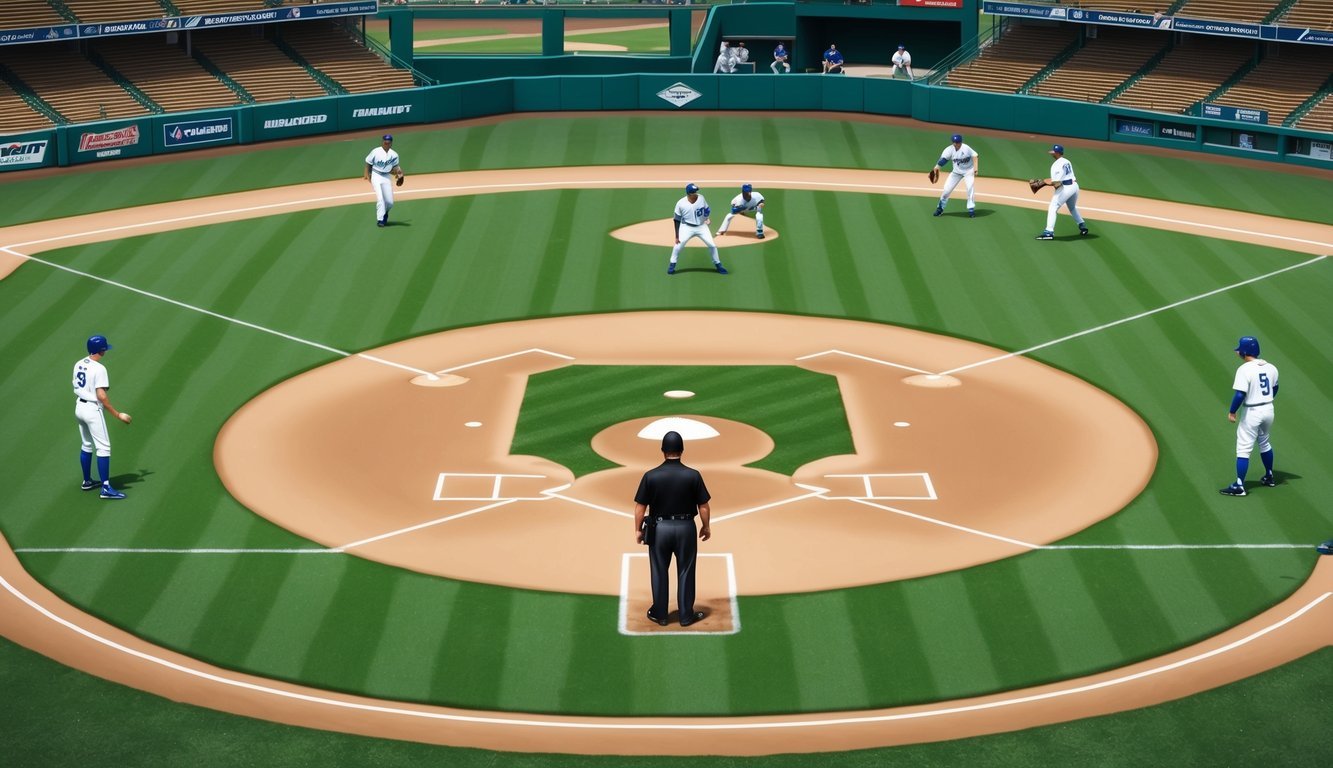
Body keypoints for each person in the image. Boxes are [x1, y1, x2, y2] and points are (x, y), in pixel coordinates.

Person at [633, 431, 712, 627]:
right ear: (682, 450)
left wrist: (637, 530)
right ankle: (685, 616)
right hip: (686, 528)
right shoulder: (693, 475)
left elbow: (640, 507)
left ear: (663, 451)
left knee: (659, 570)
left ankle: (660, 614)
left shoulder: (650, 476)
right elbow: (703, 506)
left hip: (660, 529)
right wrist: (706, 526)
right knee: (686, 570)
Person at [74, 335, 131, 500]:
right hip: (92, 410)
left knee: (86, 444)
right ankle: (105, 488)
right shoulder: (99, 369)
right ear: (102, 350)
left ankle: (87, 481)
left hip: (79, 407)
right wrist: (117, 414)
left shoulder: (79, 363)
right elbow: (101, 395)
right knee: (103, 448)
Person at [1220, 336, 1278, 496]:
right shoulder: (1271, 367)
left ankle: (1239, 486)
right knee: (1264, 442)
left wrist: (1232, 411)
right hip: (1268, 410)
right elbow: (1275, 388)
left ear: (1245, 352)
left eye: (1240, 349)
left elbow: (1240, 394)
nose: (1238, 351)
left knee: (1243, 449)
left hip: (1252, 413)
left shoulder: (1244, 370)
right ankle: (1269, 476)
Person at [1033, 144, 1089, 240]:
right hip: (1075, 186)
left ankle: (1049, 232)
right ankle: (1082, 225)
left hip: (1066, 188)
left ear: (1058, 153)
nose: (1052, 154)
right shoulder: (1066, 161)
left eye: (1053, 152)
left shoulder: (1056, 165)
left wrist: (1043, 183)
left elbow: (1056, 183)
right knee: (1072, 207)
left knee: (1053, 207)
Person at [669, 183, 726, 274]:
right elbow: (676, 220)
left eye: (696, 191)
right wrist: (677, 236)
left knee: (712, 245)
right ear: (689, 194)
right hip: (687, 227)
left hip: (701, 227)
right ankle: (672, 265)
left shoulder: (701, 198)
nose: (696, 193)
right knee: (677, 247)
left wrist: (707, 218)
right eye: (694, 192)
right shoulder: (680, 203)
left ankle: (718, 265)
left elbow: (707, 209)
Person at [931, 133, 980, 218]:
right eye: (954, 142)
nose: (955, 144)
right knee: (946, 190)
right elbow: (943, 160)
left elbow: (975, 156)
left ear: (960, 142)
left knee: (970, 188)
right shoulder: (949, 149)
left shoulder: (966, 148)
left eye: (957, 142)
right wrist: (936, 167)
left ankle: (971, 209)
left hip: (968, 171)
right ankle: (940, 208)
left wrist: (975, 169)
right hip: (956, 172)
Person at [363, 133, 403, 227]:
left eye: (388, 142)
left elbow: (396, 167)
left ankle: (385, 213)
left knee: (390, 202)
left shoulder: (394, 155)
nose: (386, 144)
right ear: (382, 142)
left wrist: (400, 173)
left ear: (391, 143)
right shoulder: (375, 151)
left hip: (386, 177)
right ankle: (380, 220)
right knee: (380, 199)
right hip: (376, 175)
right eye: (385, 142)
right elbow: (368, 163)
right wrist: (367, 174)